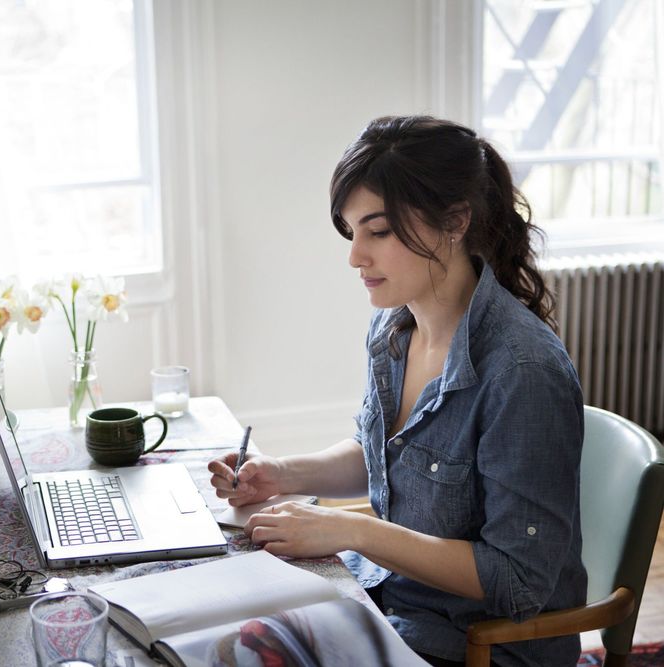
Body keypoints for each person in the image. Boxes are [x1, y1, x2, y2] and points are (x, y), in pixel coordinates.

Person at [208, 115, 587, 667]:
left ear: (455, 222)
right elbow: (388, 456)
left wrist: (353, 530)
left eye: (378, 232)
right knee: (225, 623)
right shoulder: (393, 329)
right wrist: (285, 474)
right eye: (351, 230)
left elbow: (517, 580)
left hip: (481, 646)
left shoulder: (522, 372)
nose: (355, 256)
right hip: (393, 605)